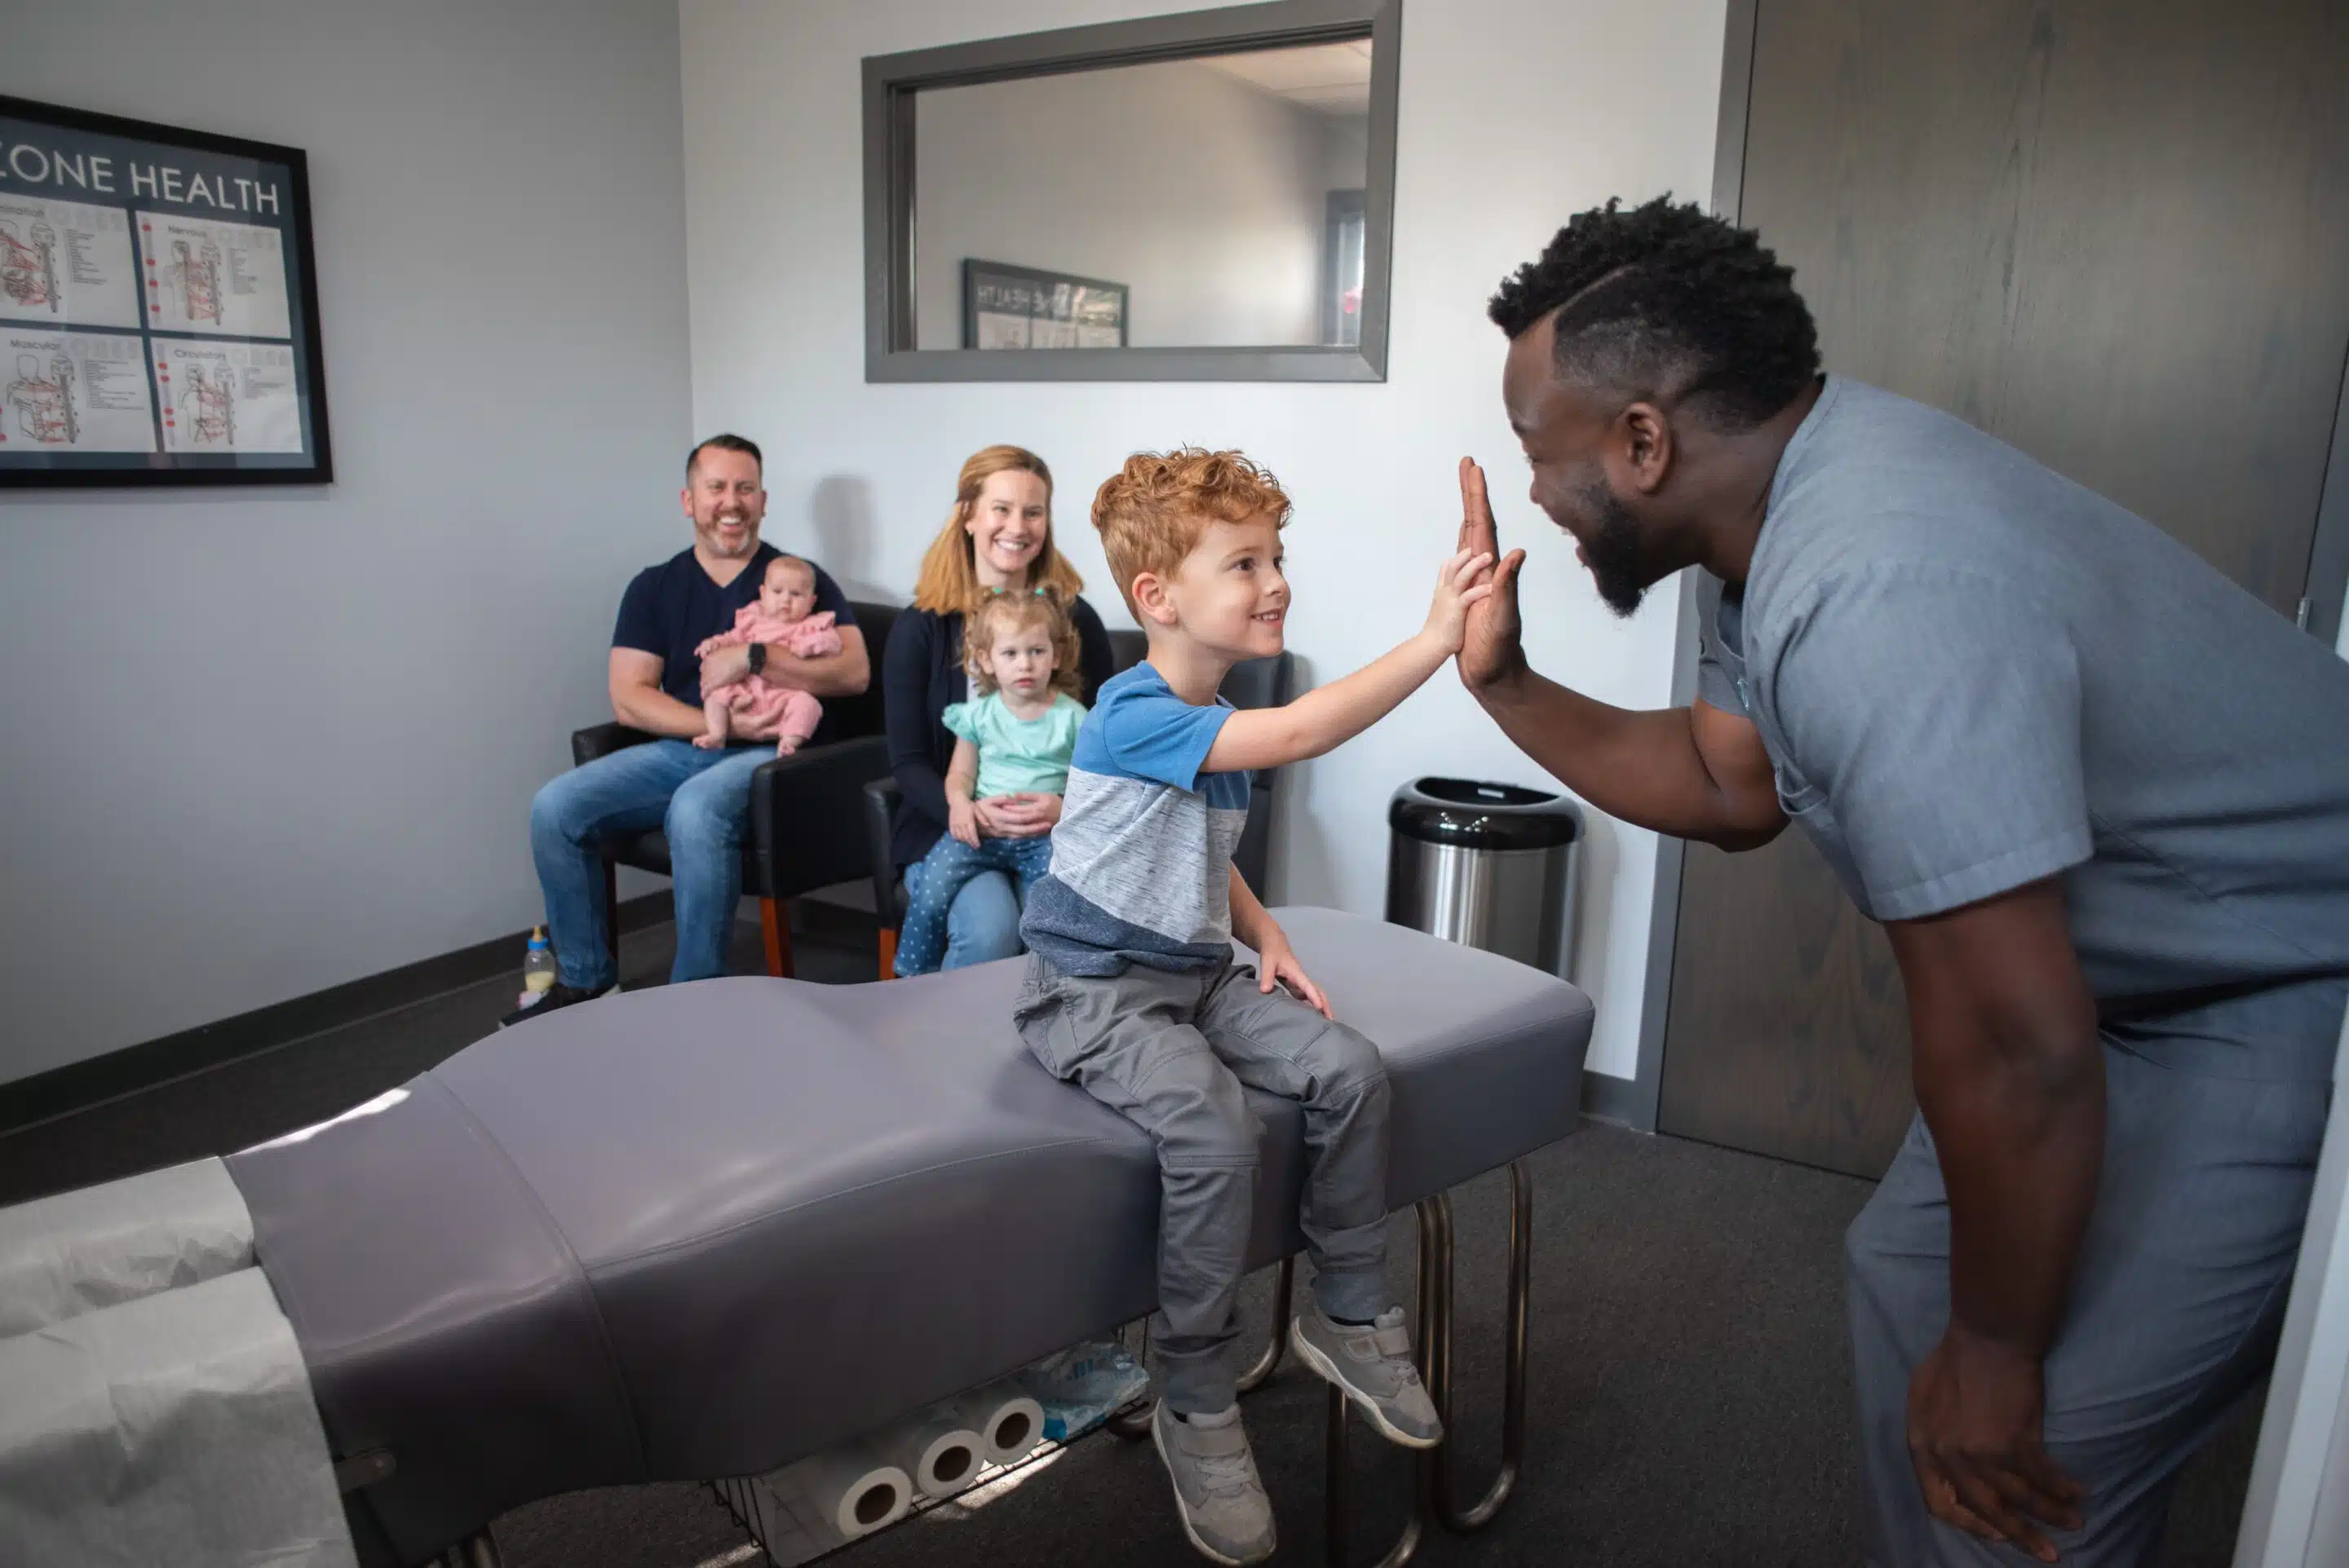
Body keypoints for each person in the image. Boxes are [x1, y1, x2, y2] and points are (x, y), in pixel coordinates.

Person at [1461, 197, 2349, 1566]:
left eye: (1541, 452)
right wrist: (1505, 680)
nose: (1533, 491)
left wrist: (1996, 1353)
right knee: (1906, 1283)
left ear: (1643, 441)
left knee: (2037, 1449)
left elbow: (2014, 1042)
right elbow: (1726, 782)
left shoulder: (1876, 586)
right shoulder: (1771, 513)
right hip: (2112, 982)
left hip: (2278, 980)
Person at [1014, 448, 1493, 1566]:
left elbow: (1193, 847)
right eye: (1244, 563)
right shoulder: (1133, 710)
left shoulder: (1208, 714)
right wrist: (1436, 637)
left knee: (1350, 1069)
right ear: (1158, 597)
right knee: (1214, 1127)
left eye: (1276, 557)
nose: (1276, 580)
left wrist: (1265, 931)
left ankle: (1349, 1310)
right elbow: (1304, 730)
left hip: (1193, 972)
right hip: (1091, 991)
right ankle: (1193, 1396)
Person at [514, 435, 869, 1024]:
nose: (732, 502)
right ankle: (586, 982)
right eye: (717, 487)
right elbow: (629, 696)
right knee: (555, 807)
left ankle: (695, 1005)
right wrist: (715, 725)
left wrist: (755, 657)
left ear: (763, 501)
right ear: (689, 500)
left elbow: (854, 673)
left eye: (746, 488)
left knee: (695, 808)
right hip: (688, 744)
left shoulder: (797, 579)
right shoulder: (654, 587)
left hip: (775, 756)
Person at [883, 444, 1117, 969]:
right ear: (968, 515)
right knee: (991, 932)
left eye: (1033, 512)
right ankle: (932, 1024)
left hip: (1055, 831)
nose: (1018, 527)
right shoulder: (921, 627)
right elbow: (908, 762)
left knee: (1057, 931)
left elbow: (1106, 751)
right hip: (950, 827)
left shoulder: (1078, 621)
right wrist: (963, 810)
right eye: (1001, 509)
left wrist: (1066, 809)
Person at [893, 590, 1088, 977]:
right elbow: (961, 775)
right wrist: (960, 806)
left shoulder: (1074, 719)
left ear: (1056, 656)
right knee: (932, 885)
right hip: (980, 833)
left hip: (1045, 838)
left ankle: (1047, 990)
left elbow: (1091, 786)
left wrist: (1063, 808)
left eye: (1037, 651)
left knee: (1053, 913)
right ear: (986, 660)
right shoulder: (978, 716)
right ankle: (912, 974)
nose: (1025, 664)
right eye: (1010, 653)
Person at [692, 554, 841, 755]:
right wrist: (714, 643)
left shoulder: (810, 626)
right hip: (747, 689)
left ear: (811, 602)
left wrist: (812, 646)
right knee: (715, 695)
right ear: (763, 594)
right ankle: (717, 735)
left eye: (796, 594)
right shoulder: (752, 620)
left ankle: (789, 741)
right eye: (777, 591)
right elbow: (732, 637)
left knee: (808, 705)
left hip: (782, 693)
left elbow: (832, 644)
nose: (785, 600)